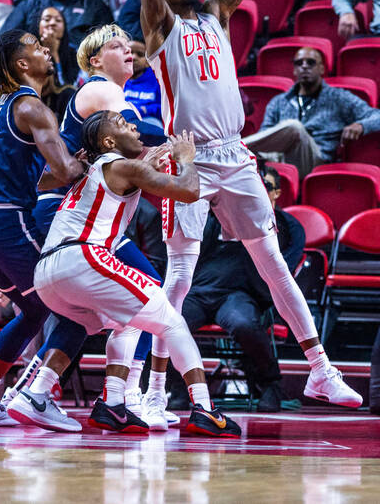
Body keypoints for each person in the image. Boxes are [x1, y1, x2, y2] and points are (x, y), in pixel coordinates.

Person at [139, 0, 362, 417]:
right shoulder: (159, 27)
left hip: (234, 152)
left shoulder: (213, 14)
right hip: (186, 157)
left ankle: (320, 371)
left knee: (273, 262)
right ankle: (154, 389)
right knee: (180, 277)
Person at [33, 113, 242, 436]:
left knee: (127, 320)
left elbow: (44, 180)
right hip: (82, 257)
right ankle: (204, 408)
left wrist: (147, 166)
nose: (133, 126)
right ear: (108, 142)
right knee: (172, 320)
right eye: (122, 123)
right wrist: (186, 159)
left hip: (47, 272)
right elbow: (187, 190)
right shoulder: (120, 165)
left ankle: (112, 403)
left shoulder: (93, 170)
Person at [31, 24, 173, 427]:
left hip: (83, 212)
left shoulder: (112, 93)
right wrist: (190, 140)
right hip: (67, 210)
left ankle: (37, 391)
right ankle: (125, 397)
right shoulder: (99, 89)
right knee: (146, 294)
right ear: (95, 60)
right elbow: (145, 135)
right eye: (116, 45)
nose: (128, 51)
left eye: (130, 46)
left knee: (86, 315)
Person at [0, 29, 88, 430]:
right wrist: (92, 160)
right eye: (36, 47)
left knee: (32, 310)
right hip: (4, 219)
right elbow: (62, 171)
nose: (46, 48)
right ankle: (34, 395)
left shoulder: (3, 104)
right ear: (22, 64)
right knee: (73, 310)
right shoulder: (32, 107)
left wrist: (67, 163)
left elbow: (38, 177)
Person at [180, 165, 304, 413]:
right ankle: (178, 388)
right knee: (167, 322)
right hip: (200, 291)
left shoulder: (287, 225)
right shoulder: (214, 215)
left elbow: (284, 271)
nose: (257, 188)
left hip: (241, 295)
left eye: (265, 185)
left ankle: (270, 384)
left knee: (244, 325)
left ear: (276, 192)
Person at [243, 45, 380, 178]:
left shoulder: (338, 98)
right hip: (280, 159)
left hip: (316, 160)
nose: (305, 66)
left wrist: (361, 125)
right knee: (249, 158)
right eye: (299, 63)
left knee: (294, 127)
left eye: (311, 62)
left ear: (322, 68)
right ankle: (238, 151)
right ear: (294, 70)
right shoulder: (279, 101)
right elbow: (266, 137)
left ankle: (237, 148)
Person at [123, 38, 160, 126]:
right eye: (129, 53)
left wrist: (145, 110)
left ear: (148, 60)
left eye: (140, 54)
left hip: (149, 122)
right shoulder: (115, 77)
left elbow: (165, 108)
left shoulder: (158, 78)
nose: (134, 57)